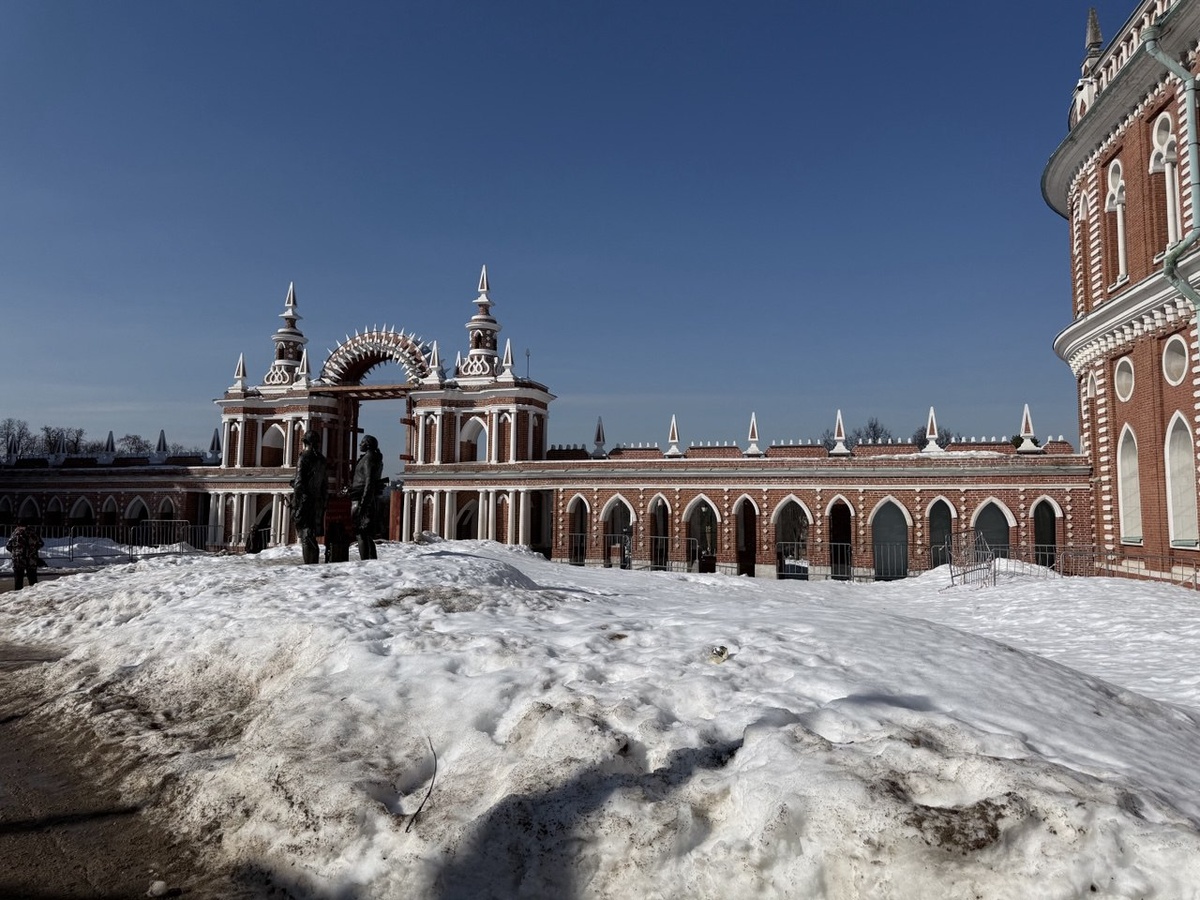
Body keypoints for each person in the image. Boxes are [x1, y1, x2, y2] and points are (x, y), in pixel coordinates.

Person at [291, 430, 328, 564]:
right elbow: (324, 484)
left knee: (306, 534)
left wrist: (296, 501)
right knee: (312, 533)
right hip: (317, 500)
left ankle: (309, 565)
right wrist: (324, 501)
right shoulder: (322, 459)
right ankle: (314, 562)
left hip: (305, 500)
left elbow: (299, 482)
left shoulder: (304, 457)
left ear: (306, 442)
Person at [349, 434, 385, 560]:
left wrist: (364, 503)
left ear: (368, 444)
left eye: (362, 443)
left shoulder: (368, 459)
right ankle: (370, 560)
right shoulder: (373, 458)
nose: (360, 445)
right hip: (364, 497)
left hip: (361, 499)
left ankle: (365, 561)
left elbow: (369, 482)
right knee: (365, 534)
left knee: (361, 533)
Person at [6, 525, 44, 589]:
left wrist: (15, 552)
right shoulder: (32, 532)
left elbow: (8, 546)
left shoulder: (15, 532)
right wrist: (33, 550)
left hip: (18, 559)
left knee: (18, 581)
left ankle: (18, 596)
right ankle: (33, 595)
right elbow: (40, 543)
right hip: (31, 559)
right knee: (33, 581)